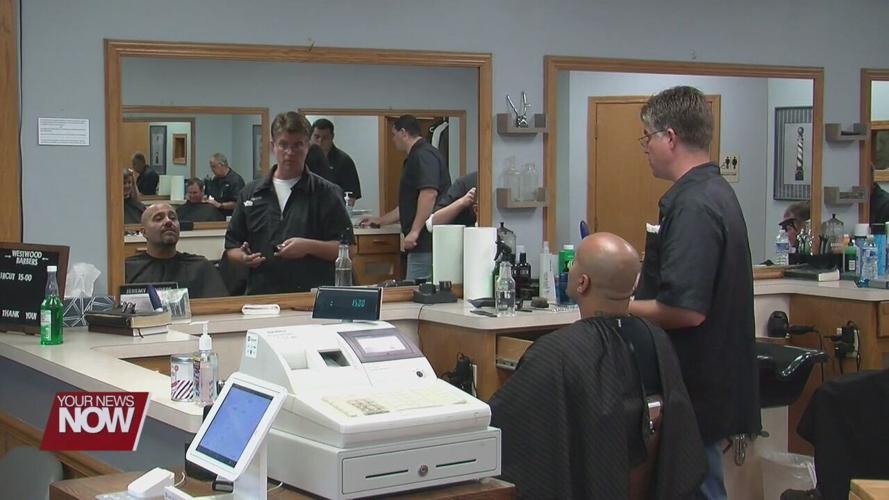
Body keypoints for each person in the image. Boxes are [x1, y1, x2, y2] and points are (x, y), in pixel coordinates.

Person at [490, 233, 706, 499]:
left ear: (583, 283)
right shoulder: (657, 339)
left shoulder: (556, 353)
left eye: (574, 263)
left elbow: (505, 428)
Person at [628, 86, 760, 500]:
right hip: (710, 379)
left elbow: (687, 309)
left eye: (647, 137)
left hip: (697, 384)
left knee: (695, 484)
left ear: (669, 137)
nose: (645, 148)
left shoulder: (693, 205)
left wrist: (621, 306)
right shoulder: (714, 192)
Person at [224, 111, 354, 294]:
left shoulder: (327, 193)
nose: (290, 153)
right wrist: (243, 257)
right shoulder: (251, 193)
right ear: (272, 146)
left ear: (307, 147)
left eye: (297, 145)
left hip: (311, 296)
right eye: (283, 145)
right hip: (262, 295)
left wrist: (308, 247)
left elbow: (349, 250)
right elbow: (231, 247)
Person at [361, 115, 451, 281]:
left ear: (403, 132)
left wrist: (414, 232)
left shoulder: (423, 155)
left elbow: (429, 194)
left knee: (416, 290)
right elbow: (407, 206)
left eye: (394, 134)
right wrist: (380, 220)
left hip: (425, 243)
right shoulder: (418, 155)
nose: (393, 139)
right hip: (422, 244)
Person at [125, 203, 228, 298]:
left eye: (173, 218)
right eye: (158, 219)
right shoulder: (128, 269)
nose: (168, 222)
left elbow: (220, 306)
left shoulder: (200, 267)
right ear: (144, 232)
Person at [311, 118, 362, 205]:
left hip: (335, 209)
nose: (320, 141)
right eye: (316, 137)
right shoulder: (303, 159)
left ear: (332, 137)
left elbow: (351, 196)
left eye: (325, 138)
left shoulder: (344, 161)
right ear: (310, 136)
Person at [204, 153, 245, 217]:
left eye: (213, 166)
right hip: (215, 215)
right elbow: (211, 196)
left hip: (230, 217)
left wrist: (220, 205)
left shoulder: (236, 180)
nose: (212, 170)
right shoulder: (215, 179)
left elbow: (238, 203)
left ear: (222, 165)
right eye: (211, 167)